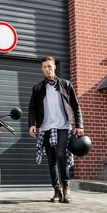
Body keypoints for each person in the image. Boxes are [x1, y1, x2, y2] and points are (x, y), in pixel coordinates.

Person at [28, 56, 84, 203]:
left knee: (60, 154)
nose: (48, 69)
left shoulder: (65, 84)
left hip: (63, 126)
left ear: (55, 67)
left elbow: (75, 106)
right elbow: (32, 108)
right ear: (42, 69)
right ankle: (56, 190)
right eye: (45, 67)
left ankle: (66, 186)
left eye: (50, 66)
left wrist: (79, 125)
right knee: (51, 159)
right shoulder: (38, 88)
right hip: (46, 127)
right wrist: (32, 124)